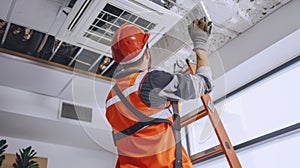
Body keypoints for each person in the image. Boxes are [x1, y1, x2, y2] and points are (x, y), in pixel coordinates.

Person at [105, 17, 214, 168]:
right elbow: (205, 83)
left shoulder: (110, 98)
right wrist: (200, 42)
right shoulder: (152, 81)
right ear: (147, 53)